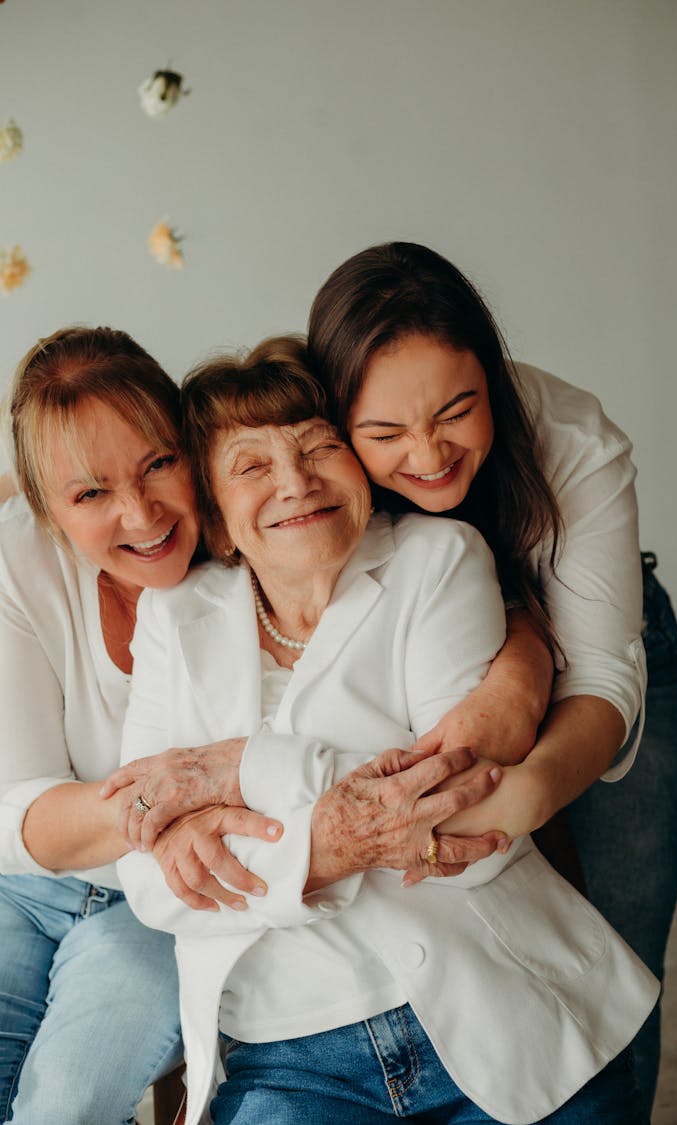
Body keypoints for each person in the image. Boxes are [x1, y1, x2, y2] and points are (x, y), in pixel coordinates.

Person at [116, 336, 658, 1125]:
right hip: (292, 1054)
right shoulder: (173, 618)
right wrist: (339, 835)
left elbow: (466, 834)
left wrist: (242, 774)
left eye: (316, 447)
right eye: (253, 466)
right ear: (220, 522)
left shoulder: (437, 561)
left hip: (496, 1006)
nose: (295, 482)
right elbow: (149, 881)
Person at [0, 326, 499, 1125]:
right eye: (90, 493)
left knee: (61, 1106)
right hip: (37, 885)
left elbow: (437, 789)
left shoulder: (275, 547)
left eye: (159, 465)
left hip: (158, 909)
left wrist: (227, 775)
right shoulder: (24, 561)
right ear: (49, 509)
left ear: (192, 459)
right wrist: (160, 811)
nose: (139, 512)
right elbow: (14, 814)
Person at [306, 239, 677, 1111]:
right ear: (334, 422)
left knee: (620, 955)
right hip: (451, 677)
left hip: (608, 664)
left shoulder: (573, 436)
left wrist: (529, 794)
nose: (429, 452)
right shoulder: (308, 460)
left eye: (457, 410)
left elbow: (598, 675)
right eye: (385, 433)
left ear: (493, 378)